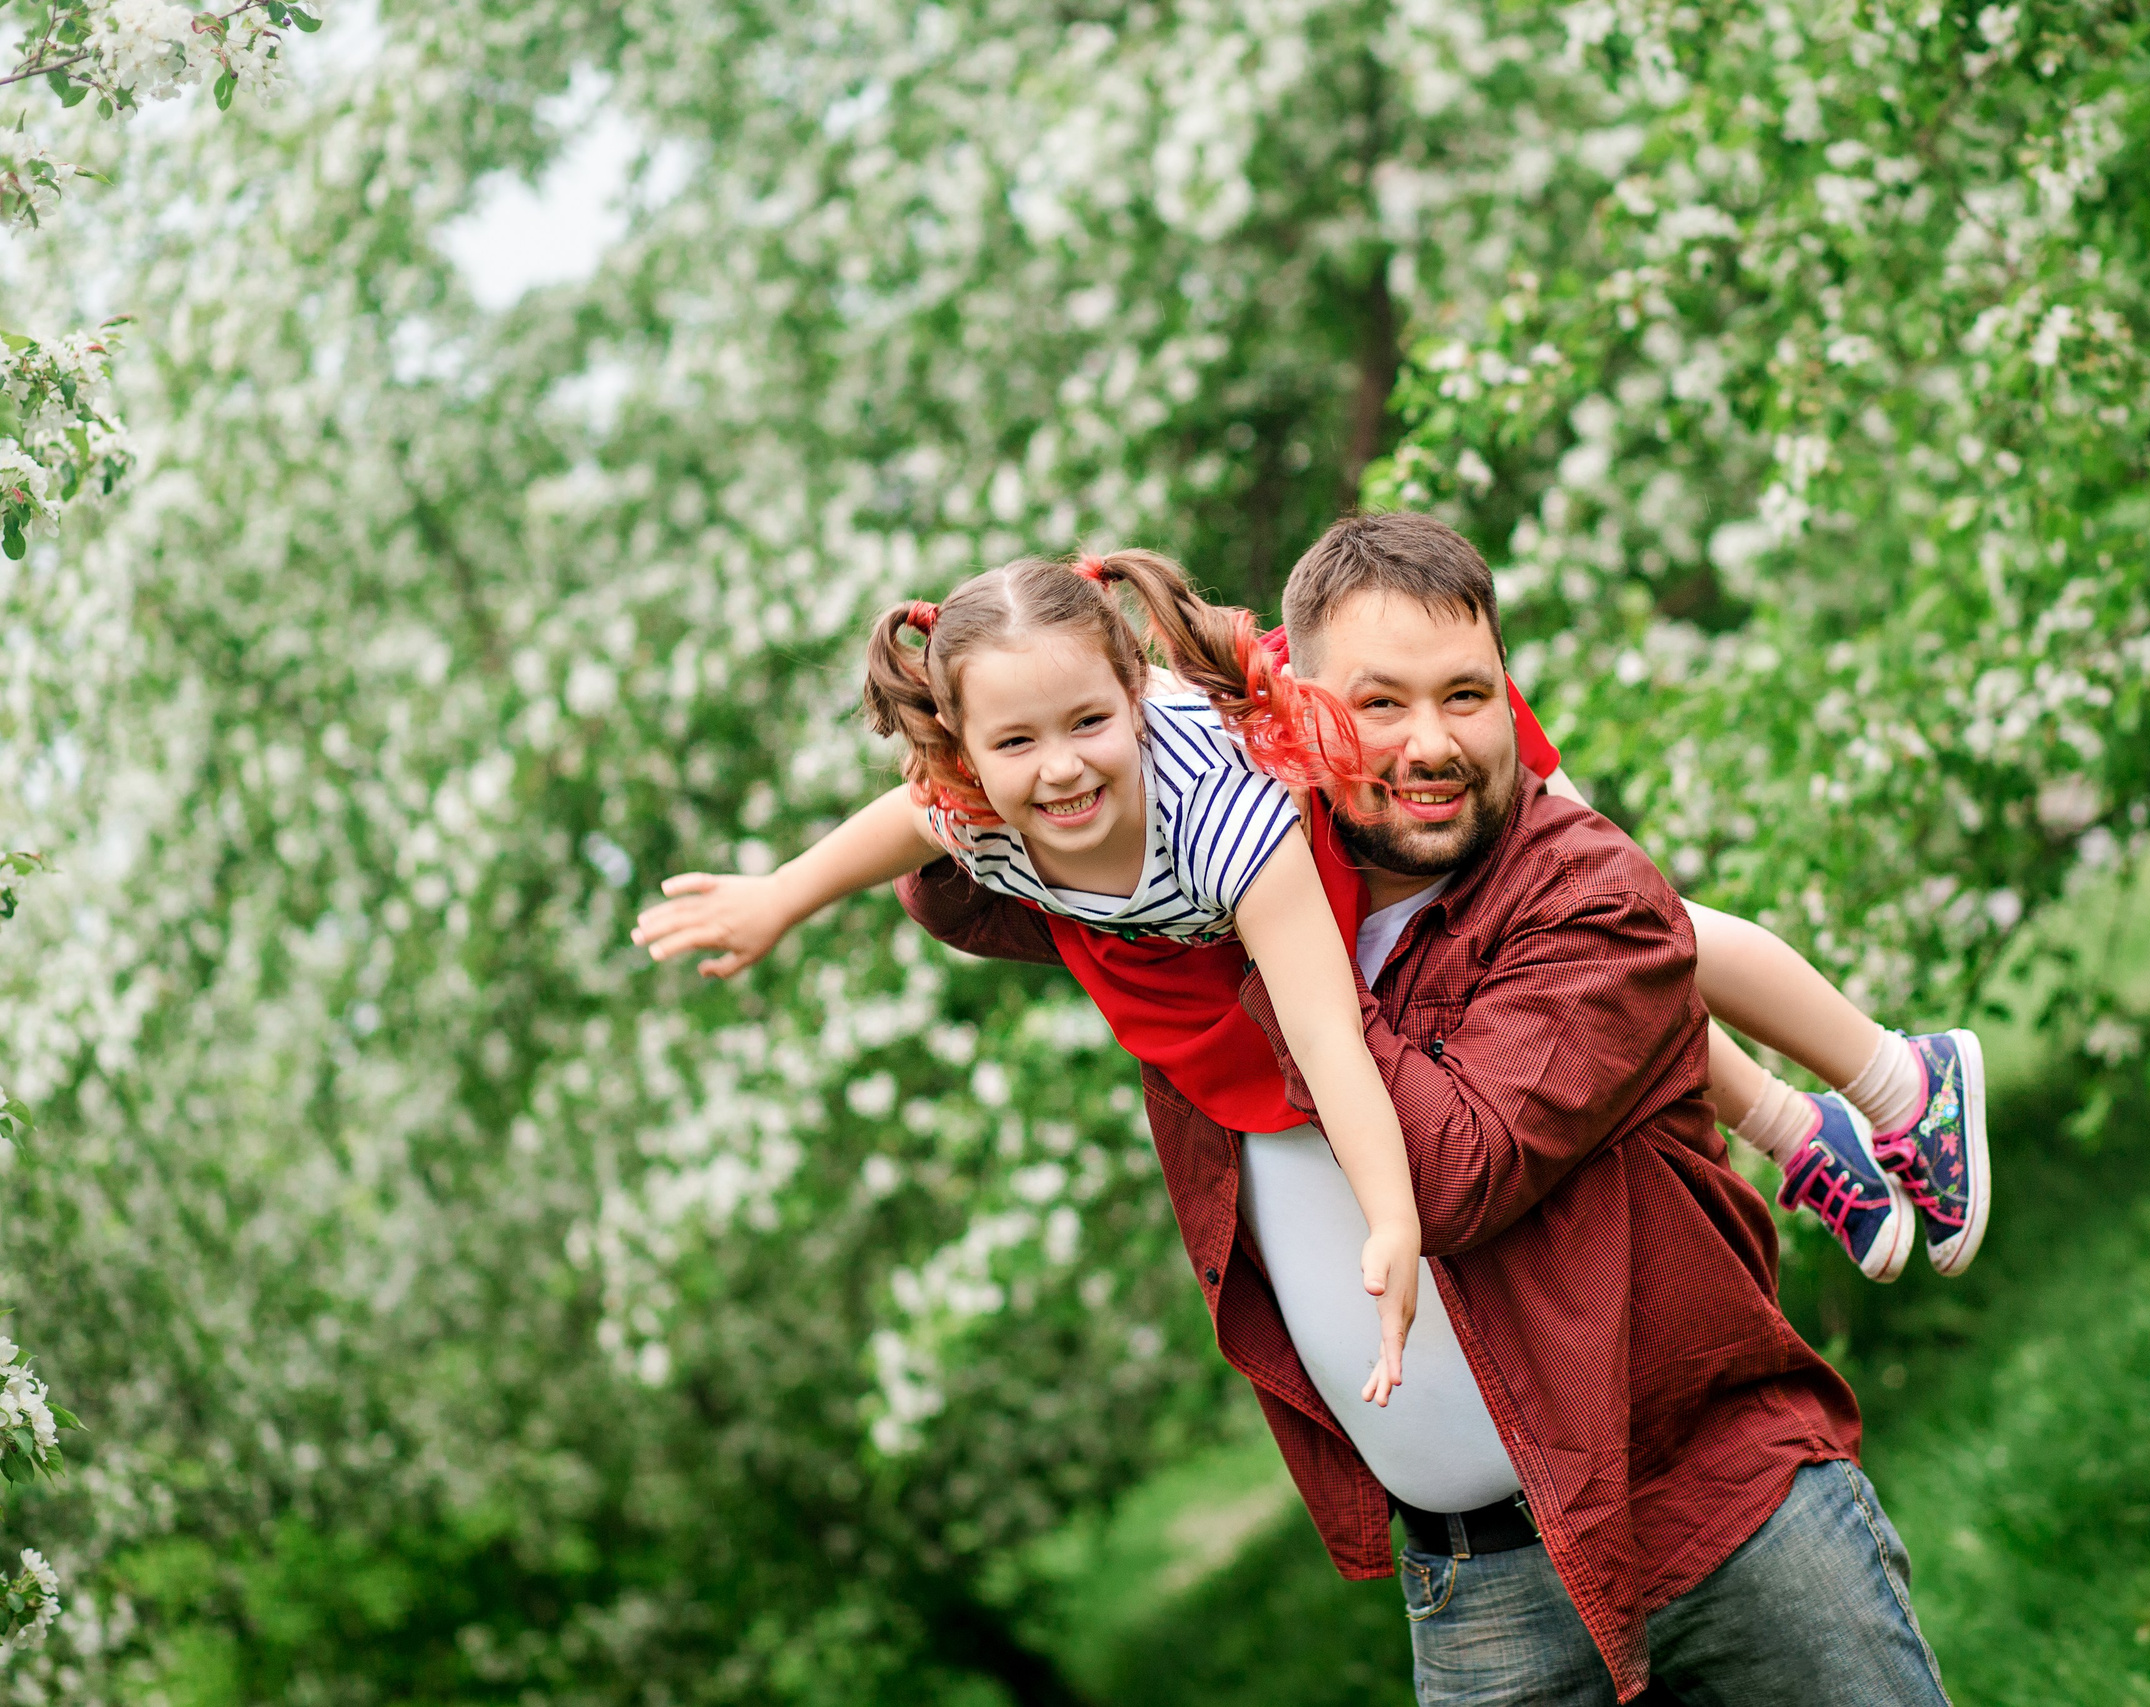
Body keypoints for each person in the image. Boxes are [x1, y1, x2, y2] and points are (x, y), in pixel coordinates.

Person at [890, 512, 1951, 1704]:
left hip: (1721, 1515)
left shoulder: (1571, 897)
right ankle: (1828, 1122)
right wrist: (1028, 731)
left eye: (1467, 697)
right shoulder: (1184, 893)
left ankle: (1866, 1100)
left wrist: (1256, 907)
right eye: (1377, 706)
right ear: (1286, 721)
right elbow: (948, 881)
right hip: (1475, 1585)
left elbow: (1452, 1173)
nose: (1427, 744)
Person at [633, 549, 1423, 1405]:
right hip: (1150, 916)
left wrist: (1389, 1212)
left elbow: (1325, 1032)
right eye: (1015, 741)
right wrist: (779, 897)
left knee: (1366, 746)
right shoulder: (971, 809)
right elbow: (907, 818)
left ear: (1132, 699)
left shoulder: (1222, 817)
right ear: (965, 754)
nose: (1060, 767)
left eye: (1088, 722)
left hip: (1312, 841)